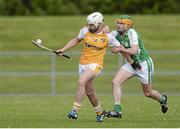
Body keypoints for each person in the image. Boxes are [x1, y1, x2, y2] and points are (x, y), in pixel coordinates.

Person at [56, 12, 134, 122]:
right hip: (82, 64)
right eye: (89, 24)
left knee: (81, 81)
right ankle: (99, 113)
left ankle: (74, 111)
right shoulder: (85, 31)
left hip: (95, 65)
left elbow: (120, 48)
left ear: (99, 24)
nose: (90, 27)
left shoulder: (108, 36)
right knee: (89, 92)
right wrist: (62, 49)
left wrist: (130, 61)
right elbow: (76, 40)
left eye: (92, 25)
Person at [107, 15, 168, 119]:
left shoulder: (132, 33)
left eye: (121, 23)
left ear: (127, 25)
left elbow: (134, 50)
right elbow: (106, 36)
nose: (118, 25)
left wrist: (120, 49)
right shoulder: (115, 34)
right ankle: (118, 111)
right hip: (132, 64)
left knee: (148, 93)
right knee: (115, 82)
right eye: (118, 22)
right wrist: (104, 31)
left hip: (144, 64)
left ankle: (162, 100)